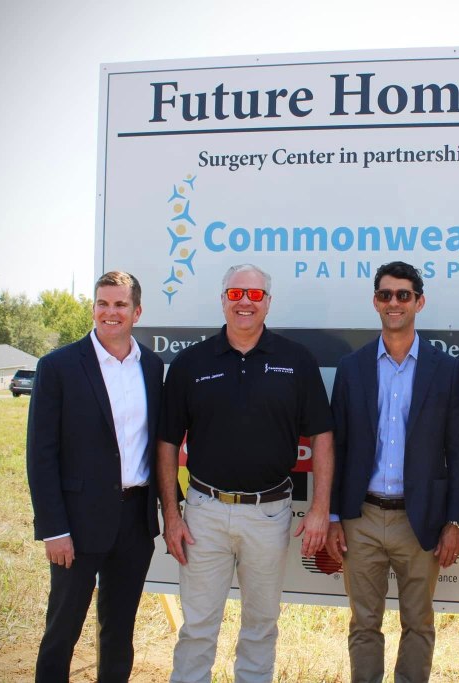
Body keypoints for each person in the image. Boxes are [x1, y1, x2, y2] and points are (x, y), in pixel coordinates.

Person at [158, 263, 333, 683]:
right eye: (236, 294)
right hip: (203, 513)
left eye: (255, 295)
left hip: (269, 513)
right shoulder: (191, 362)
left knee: (261, 626)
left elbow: (323, 437)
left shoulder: (296, 360)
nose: (245, 303)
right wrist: (172, 514)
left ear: (268, 303)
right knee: (198, 628)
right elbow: (166, 443)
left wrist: (320, 509)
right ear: (223, 299)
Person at [326, 261, 459, 683]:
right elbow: (337, 447)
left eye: (403, 295)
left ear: (419, 302)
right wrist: (333, 515)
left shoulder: (446, 370)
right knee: (363, 623)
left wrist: (454, 521)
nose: (394, 302)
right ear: (375, 302)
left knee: (419, 623)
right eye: (386, 294)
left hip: (420, 518)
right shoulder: (352, 367)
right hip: (362, 518)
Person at [27, 270, 163, 682]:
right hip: (77, 523)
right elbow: (41, 455)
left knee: (119, 631)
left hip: (135, 521)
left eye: (120, 304)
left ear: (137, 312)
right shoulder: (58, 366)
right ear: (93, 308)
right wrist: (54, 529)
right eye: (102, 303)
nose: (110, 312)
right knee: (62, 631)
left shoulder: (152, 366)